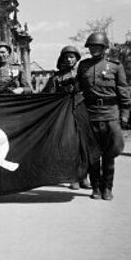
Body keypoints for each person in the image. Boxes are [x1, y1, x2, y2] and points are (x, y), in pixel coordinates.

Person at [77, 32, 131, 201]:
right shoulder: (83, 66)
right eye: (91, 47)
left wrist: (124, 115)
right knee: (93, 155)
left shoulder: (115, 66)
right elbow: (78, 89)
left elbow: (123, 92)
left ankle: (107, 188)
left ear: (104, 48)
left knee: (109, 154)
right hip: (91, 114)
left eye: (97, 47)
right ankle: (95, 188)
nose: (94, 49)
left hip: (110, 114)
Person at [42, 46, 91, 190]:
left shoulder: (83, 73)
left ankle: (84, 177)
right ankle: (73, 177)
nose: (69, 60)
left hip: (82, 110)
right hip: (65, 114)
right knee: (70, 145)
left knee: (84, 145)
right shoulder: (56, 77)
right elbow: (48, 95)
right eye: (66, 57)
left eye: (72, 57)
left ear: (77, 58)